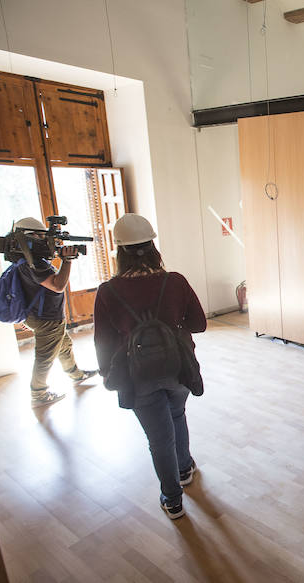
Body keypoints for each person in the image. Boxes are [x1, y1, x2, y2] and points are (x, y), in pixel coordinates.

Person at [93, 214, 207, 520]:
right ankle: (184, 469)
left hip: (137, 375)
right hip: (178, 368)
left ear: (119, 251)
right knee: (178, 414)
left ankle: (172, 500)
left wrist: (108, 374)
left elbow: (103, 342)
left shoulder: (107, 291)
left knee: (158, 438)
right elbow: (199, 324)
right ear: (153, 246)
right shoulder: (175, 281)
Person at [11, 217, 98, 408]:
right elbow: (57, 285)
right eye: (41, 235)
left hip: (42, 315)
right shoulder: (34, 263)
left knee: (63, 344)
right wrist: (66, 261)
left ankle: (75, 374)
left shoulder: (24, 258)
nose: (44, 239)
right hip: (46, 318)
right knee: (45, 356)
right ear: (29, 236)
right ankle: (38, 393)